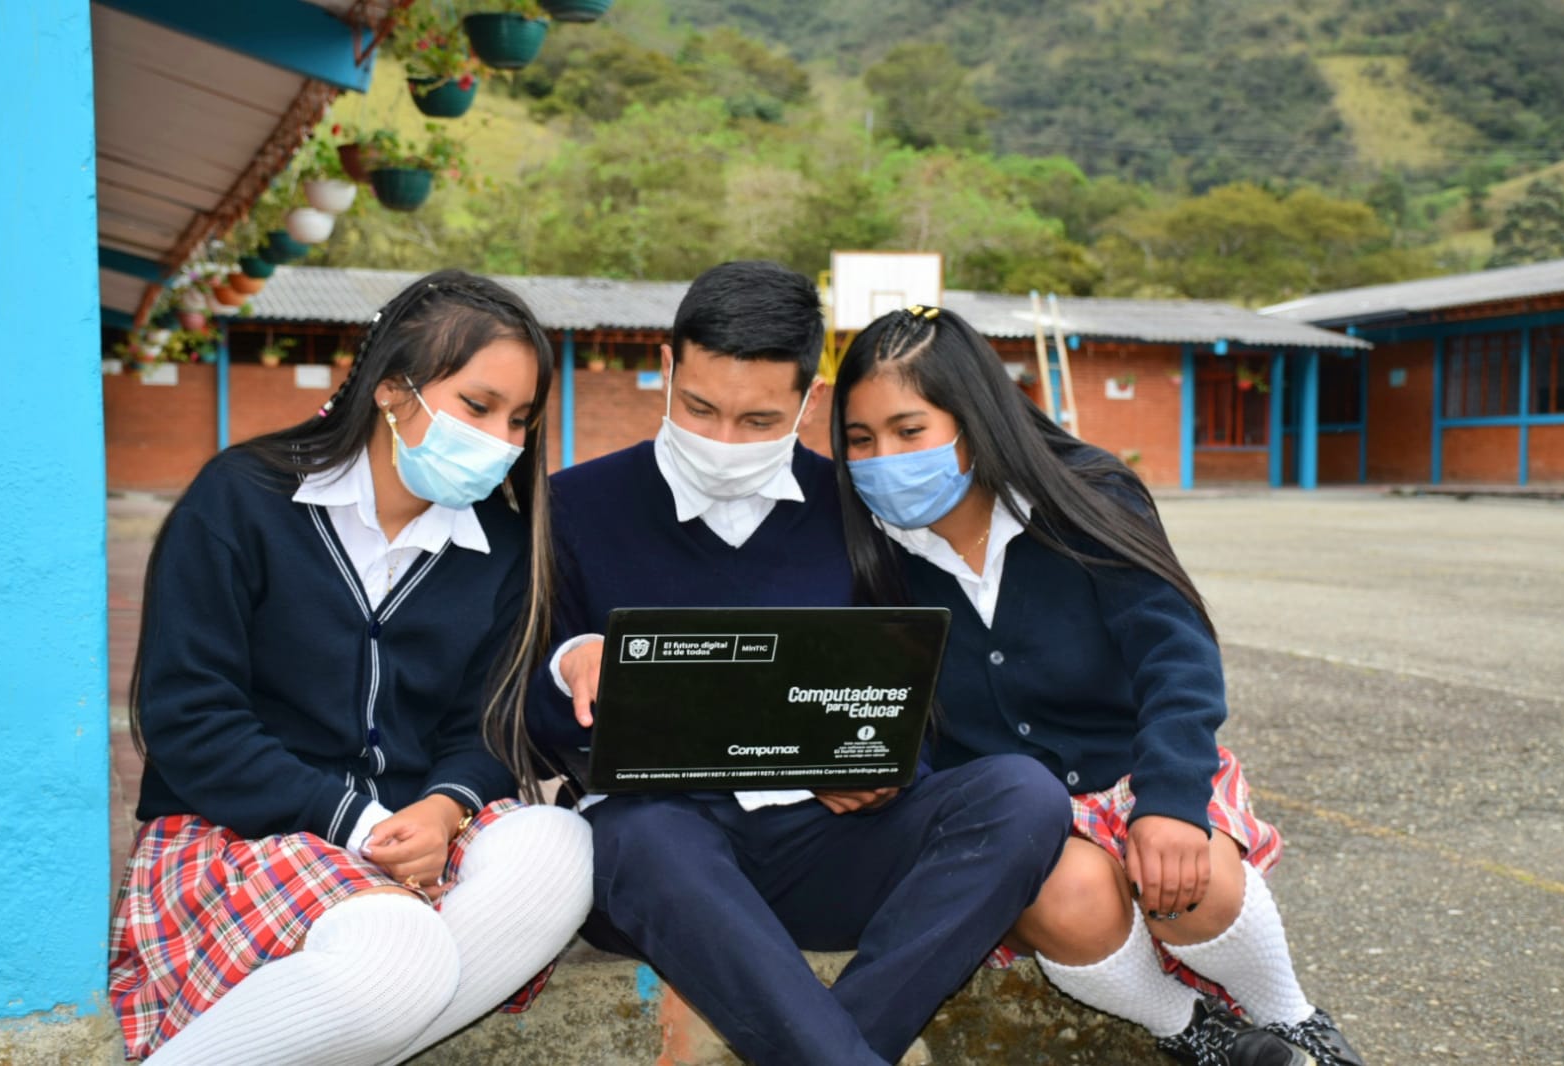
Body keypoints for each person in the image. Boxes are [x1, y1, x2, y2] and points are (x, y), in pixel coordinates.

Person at [525, 261, 1070, 1065]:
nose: (721, 441)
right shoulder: (569, 506)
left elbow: (913, 683)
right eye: (699, 407)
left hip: (831, 846)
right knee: (635, 834)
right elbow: (517, 713)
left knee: (1021, 793)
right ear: (667, 367)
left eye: (757, 420)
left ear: (808, 401)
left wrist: (885, 764)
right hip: (670, 862)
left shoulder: (859, 509)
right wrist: (571, 662)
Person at [829, 305, 1367, 1066]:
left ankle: (1293, 1020)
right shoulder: (867, 558)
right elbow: (881, 713)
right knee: (1068, 895)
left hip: (1131, 773)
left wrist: (1170, 801)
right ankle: (1191, 1030)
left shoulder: (1084, 497)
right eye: (860, 439)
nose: (882, 457)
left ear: (975, 421)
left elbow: (1173, 655)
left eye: (909, 431)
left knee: (1192, 876)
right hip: (1016, 817)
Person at [109, 270, 593, 1064]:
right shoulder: (241, 500)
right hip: (240, 836)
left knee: (558, 847)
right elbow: (189, 721)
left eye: (519, 420)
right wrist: (361, 828)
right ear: (391, 389)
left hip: (412, 838)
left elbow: (486, 726)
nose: (503, 441)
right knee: (395, 950)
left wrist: (442, 810)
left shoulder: (501, 551)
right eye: (478, 407)